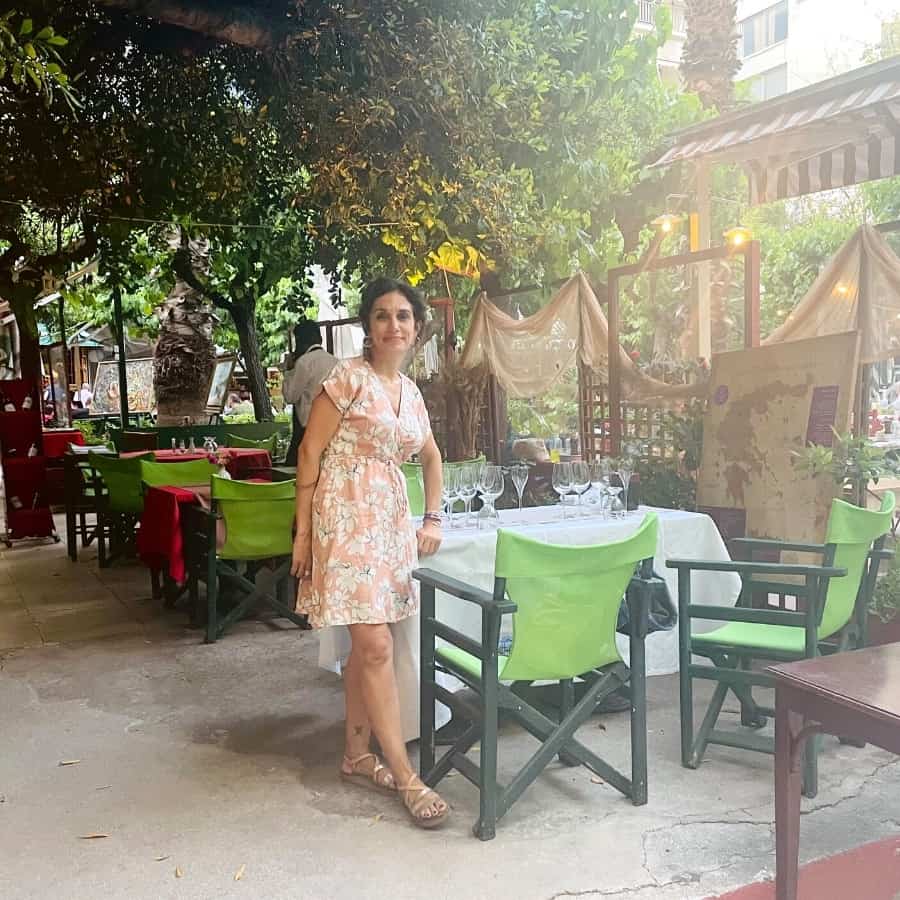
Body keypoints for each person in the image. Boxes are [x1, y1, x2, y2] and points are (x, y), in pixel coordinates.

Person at [292, 277, 448, 829]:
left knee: (368, 642)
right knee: (376, 645)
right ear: (368, 326)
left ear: (417, 328)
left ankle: (357, 754)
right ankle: (405, 775)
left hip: (387, 526)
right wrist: (304, 535)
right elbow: (309, 453)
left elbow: (431, 457)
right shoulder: (346, 380)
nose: (394, 325)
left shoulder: (411, 392)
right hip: (343, 521)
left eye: (404, 316)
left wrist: (432, 518)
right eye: (382, 315)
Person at [282, 321, 336, 466]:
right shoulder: (336, 362)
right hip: (332, 429)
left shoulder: (303, 363)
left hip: (307, 430)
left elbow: (290, 396)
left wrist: (288, 371)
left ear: (300, 341)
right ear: (320, 339)